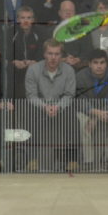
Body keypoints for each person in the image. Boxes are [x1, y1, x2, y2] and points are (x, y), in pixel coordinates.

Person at [24, 40, 77, 170]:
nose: (53, 57)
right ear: (44, 54)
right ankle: (33, 159)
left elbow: (69, 95)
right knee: (29, 115)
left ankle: (72, 160)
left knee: (73, 117)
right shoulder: (33, 70)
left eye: (57, 54)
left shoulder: (69, 70)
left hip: (61, 108)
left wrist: (58, 107)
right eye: (50, 53)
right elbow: (31, 96)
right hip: (40, 107)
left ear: (61, 55)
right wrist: (44, 107)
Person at [74, 49, 108, 169]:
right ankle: (88, 162)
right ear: (89, 64)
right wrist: (94, 113)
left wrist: (100, 114)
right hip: (87, 112)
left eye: (102, 62)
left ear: (106, 64)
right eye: (95, 63)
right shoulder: (80, 77)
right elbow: (77, 100)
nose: (99, 66)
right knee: (81, 120)